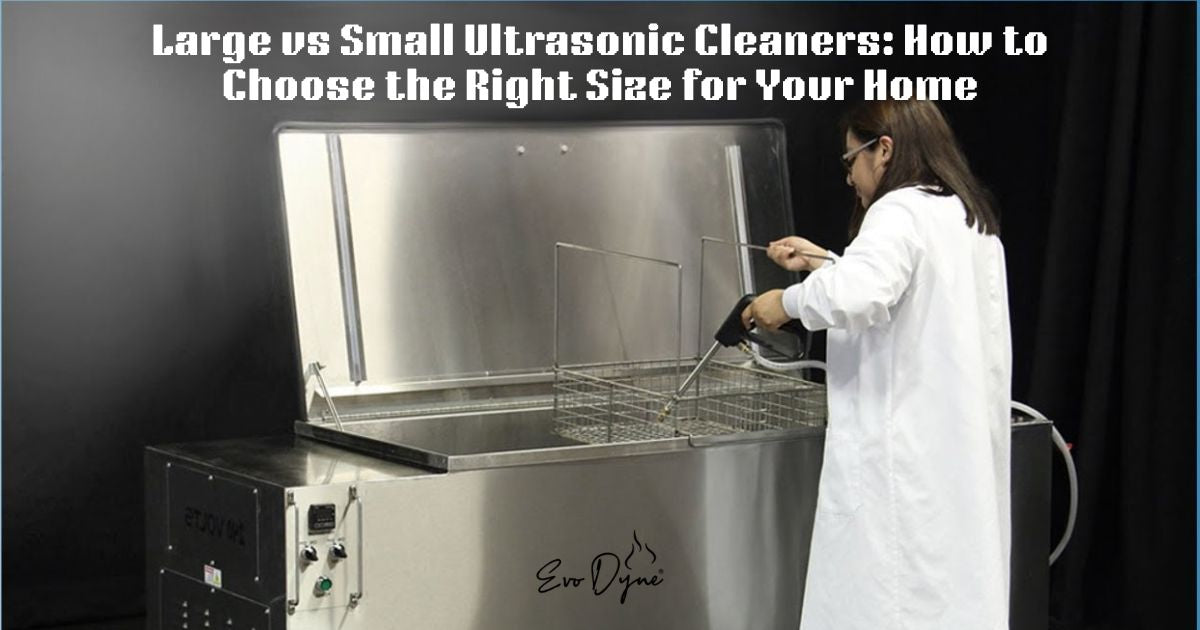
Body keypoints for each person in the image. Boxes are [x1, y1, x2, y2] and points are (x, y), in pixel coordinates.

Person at [742, 100, 1012, 630]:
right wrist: (824, 262)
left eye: (850, 162)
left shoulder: (899, 210)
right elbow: (899, 298)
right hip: (952, 465)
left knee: (888, 603)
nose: (849, 178)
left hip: (900, 465)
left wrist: (786, 303)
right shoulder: (966, 216)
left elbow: (860, 296)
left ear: (883, 150)